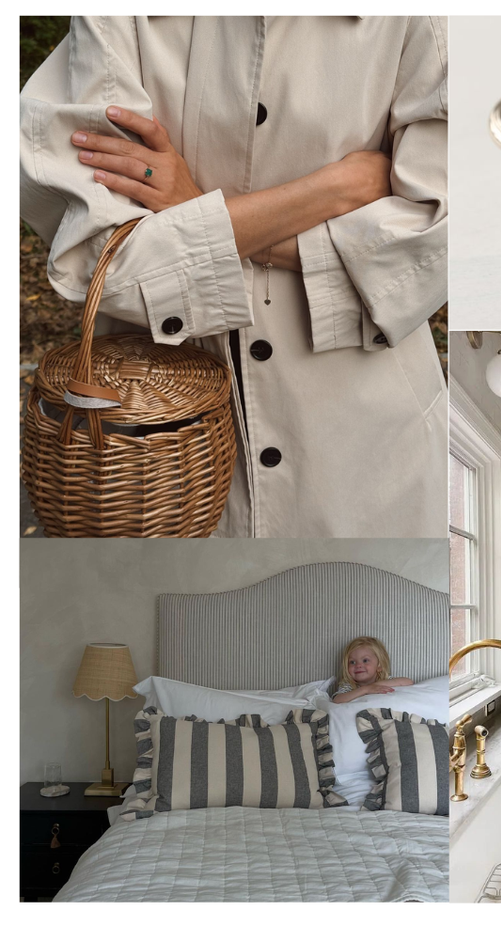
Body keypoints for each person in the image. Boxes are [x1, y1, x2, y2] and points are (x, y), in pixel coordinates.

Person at [20, 16, 448, 537]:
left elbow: (434, 252)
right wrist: (332, 191)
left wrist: (188, 209)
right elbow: (105, 262)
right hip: (146, 469)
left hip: (365, 460)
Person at [329, 636, 414, 704]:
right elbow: (337, 699)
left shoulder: (384, 679)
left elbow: (408, 681)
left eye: (365, 660)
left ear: (379, 665)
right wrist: (366, 689)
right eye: (352, 662)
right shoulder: (349, 684)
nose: (358, 665)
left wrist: (375, 685)